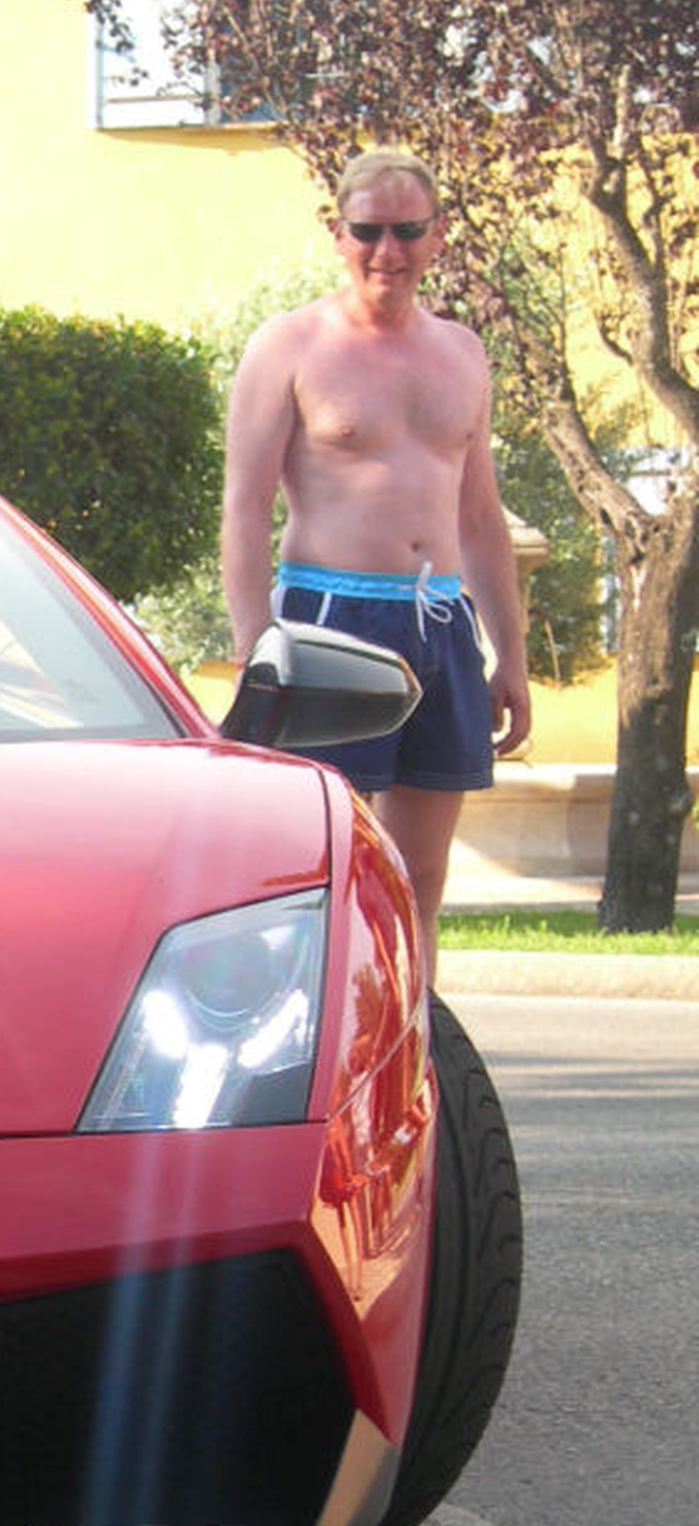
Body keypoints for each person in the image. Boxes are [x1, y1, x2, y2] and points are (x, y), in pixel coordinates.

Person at [222, 147, 533, 978]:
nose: (386, 252)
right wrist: (259, 647)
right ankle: (324, 1068)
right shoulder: (289, 345)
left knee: (420, 879)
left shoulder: (462, 352)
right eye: (368, 232)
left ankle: (415, 1066)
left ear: (437, 238)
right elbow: (246, 509)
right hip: (329, 623)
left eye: (406, 231)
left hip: (440, 621)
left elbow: (479, 516)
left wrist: (512, 655)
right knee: (329, 870)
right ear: (338, 234)